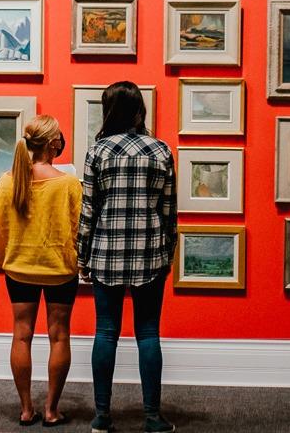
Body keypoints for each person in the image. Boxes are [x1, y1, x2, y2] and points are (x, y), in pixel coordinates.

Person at [79, 82, 177, 433]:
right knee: (148, 334)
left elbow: (89, 210)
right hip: (150, 251)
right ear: (140, 110)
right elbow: (169, 211)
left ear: (109, 111)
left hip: (106, 251)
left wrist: (82, 255)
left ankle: (102, 416)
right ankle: (152, 417)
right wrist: (169, 252)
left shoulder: (98, 152)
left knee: (106, 333)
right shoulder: (161, 150)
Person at [0, 115, 80, 427]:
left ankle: (26, 410)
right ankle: (52, 411)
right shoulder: (68, 184)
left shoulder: (7, 181)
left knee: (22, 335)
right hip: (61, 271)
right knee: (59, 335)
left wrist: (7, 261)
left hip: (19, 270)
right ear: (54, 144)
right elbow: (79, 229)